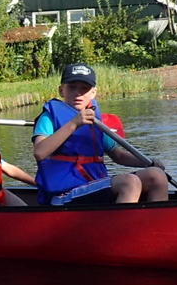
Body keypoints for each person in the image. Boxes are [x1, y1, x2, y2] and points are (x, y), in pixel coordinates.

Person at [31, 63, 168, 205]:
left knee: (156, 175)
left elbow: (118, 155)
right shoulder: (49, 117)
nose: (78, 93)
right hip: (63, 195)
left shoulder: (95, 120)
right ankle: (124, 226)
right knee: (129, 182)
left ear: (93, 92)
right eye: (72, 87)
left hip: (93, 186)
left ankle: (155, 224)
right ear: (61, 90)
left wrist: (148, 162)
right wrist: (74, 124)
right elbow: (40, 152)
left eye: (84, 88)